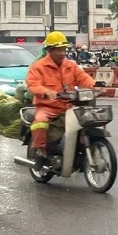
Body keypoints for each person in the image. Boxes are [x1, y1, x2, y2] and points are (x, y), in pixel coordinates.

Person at [26, 31, 96, 167]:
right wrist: (47, 92)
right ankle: (41, 152)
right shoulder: (38, 66)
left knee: (87, 119)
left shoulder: (71, 65)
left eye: (64, 49)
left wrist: (96, 86)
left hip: (68, 105)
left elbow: (84, 78)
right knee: (40, 122)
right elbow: (33, 84)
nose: (63, 53)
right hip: (47, 107)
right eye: (59, 50)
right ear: (50, 50)